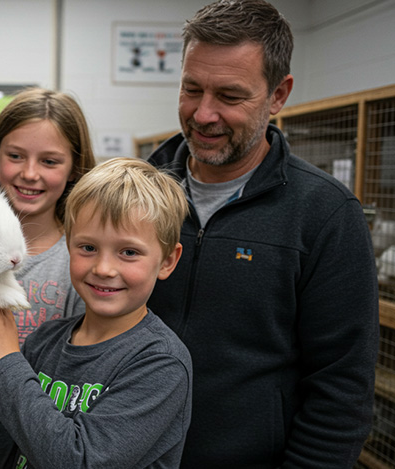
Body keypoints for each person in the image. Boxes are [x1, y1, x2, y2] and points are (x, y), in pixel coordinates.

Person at [146, 0, 379, 467]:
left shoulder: (325, 213)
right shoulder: (138, 189)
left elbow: (341, 387)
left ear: (278, 95)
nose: (204, 114)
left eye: (230, 97)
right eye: (192, 89)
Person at [0, 157, 193, 468]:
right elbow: (0, 454)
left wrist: (5, 362)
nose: (103, 269)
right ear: (68, 245)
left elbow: (80, 461)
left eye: (129, 252)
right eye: (87, 248)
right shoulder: (45, 340)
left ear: (167, 261)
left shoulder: (161, 363)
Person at [0, 88, 96, 344]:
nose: (30, 174)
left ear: (75, 167)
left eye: (50, 162)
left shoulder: (82, 260)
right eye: (16, 156)